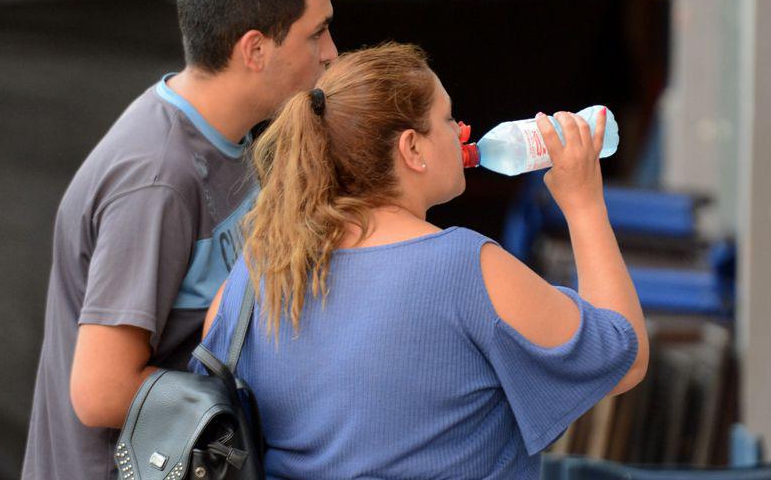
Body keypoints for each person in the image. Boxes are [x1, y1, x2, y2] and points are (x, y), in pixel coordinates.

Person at [195, 43, 649, 479]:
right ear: (411, 148)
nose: (461, 130)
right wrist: (584, 204)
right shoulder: (464, 267)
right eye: (447, 119)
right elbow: (623, 361)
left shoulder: (253, 278)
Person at [21, 0, 338, 479]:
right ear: (255, 49)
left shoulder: (228, 135)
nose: (331, 52)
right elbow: (100, 392)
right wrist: (256, 409)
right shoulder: (157, 179)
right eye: (318, 33)